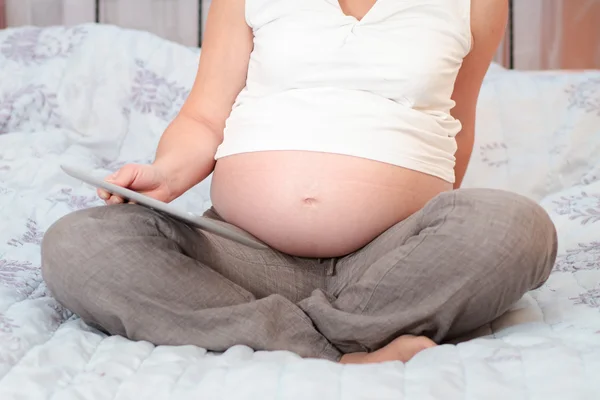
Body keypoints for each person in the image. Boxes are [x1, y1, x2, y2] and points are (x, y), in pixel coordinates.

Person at [41, 0, 557, 364]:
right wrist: (165, 175)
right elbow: (203, 117)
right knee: (78, 244)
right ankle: (343, 346)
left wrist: (426, 245)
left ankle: (295, 327)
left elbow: (454, 124)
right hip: (241, 255)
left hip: (386, 258)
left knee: (518, 227)